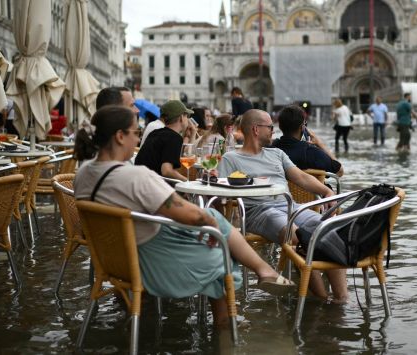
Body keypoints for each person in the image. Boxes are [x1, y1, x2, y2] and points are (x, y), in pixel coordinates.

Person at [73, 106, 294, 329]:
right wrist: (211, 228)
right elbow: (190, 214)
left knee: (210, 218)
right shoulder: (134, 176)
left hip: (113, 260)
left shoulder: (83, 174)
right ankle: (228, 319)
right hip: (149, 264)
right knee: (220, 248)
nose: (138, 138)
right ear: (120, 136)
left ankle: (262, 272)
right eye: (135, 133)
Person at [217, 109, 349, 304]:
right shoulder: (231, 159)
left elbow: (301, 177)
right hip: (259, 211)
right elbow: (221, 194)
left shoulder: (277, 153)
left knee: (329, 230)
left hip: (290, 207)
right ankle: (321, 300)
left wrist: (327, 192)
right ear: (255, 129)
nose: (273, 131)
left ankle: (341, 300)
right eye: (270, 127)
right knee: (297, 236)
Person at [272, 105, 343, 177]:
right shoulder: (312, 153)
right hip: (312, 188)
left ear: (280, 127)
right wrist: (320, 144)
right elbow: (340, 172)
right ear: (303, 127)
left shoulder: (271, 149)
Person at [135, 100, 197, 181]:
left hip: (139, 182)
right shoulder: (173, 137)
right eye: (186, 116)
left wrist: (192, 135)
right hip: (150, 186)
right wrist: (186, 182)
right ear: (181, 117)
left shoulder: (156, 133)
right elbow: (167, 171)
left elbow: (185, 155)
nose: (188, 119)